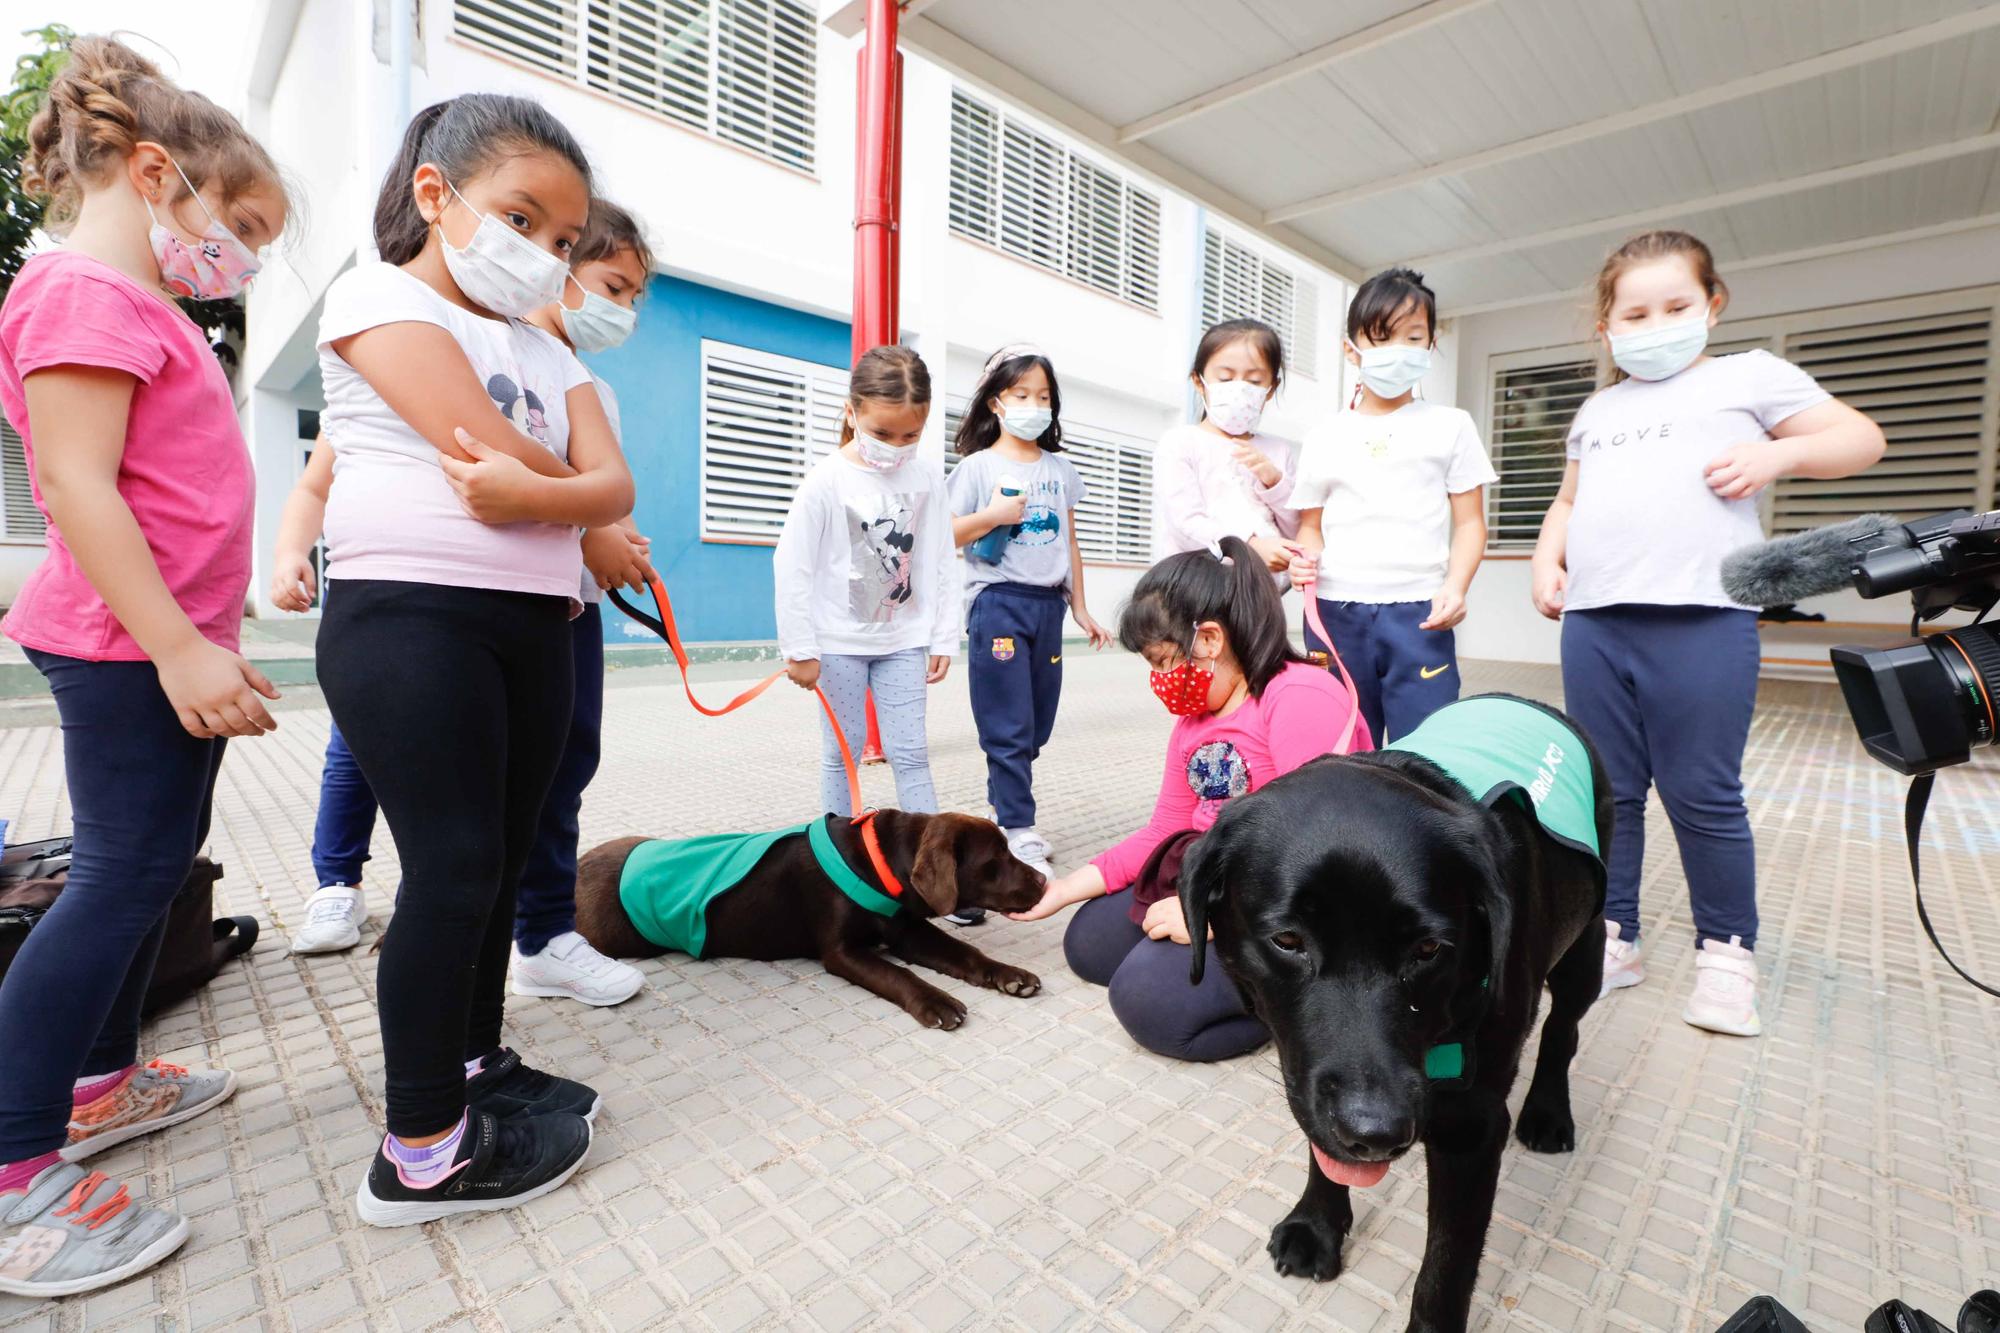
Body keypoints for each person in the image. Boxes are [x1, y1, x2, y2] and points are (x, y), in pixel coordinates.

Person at [0, 34, 292, 1296]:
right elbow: (73, 481)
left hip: (165, 646)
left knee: (156, 868)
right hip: (128, 647)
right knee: (119, 880)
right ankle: (14, 1170)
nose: (246, 257)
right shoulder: (81, 295)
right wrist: (176, 645)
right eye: (241, 225)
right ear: (158, 172)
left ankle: (105, 1080)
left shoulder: (143, 308)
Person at [316, 94, 635, 1226]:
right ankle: (418, 1155)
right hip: (410, 617)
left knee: (497, 864)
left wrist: (566, 497)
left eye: (561, 241)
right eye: (522, 218)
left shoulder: (546, 343)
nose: (543, 255)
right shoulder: (377, 294)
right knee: (450, 868)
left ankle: (471, 1066)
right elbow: (482, 442)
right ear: (435, 195)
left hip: (534, 622)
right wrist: (572, 495)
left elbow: (617, 487)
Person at [270, 200, 657, 1012]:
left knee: (546, 784)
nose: (623, 310)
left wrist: (604, 529)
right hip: (421, 616)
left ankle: (535, 948)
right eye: (611, 284)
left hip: (556, 613)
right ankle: (339, 884)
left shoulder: (574, 376)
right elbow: (530, 478)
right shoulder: (404, 329)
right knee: (445, 841)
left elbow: (607, 488)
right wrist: (587, 514)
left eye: (634, 296)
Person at [1531, 229, 1885, 1037]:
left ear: (1712, 305)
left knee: (1703, 792)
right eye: (1637, 311)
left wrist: (1776, 457)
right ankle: (1610, 934)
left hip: (1705, 618)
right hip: (1595, 623)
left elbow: (1861, 438)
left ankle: (1727, 954)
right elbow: (1566, 502)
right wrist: (1545, 561)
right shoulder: (1598, 407)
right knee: (1608, 794)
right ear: (1606, 326)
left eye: (1677, 306)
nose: (1656, 323)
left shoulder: (1746, 377)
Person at [1010, 537, 1370, 1061]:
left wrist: (1211, 920)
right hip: (1214, 874)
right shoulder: (1195, 719)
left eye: (1162, 661)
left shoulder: (1298, 697)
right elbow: (1165, 830)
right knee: (1087, 945)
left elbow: (1313, 849)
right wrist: (1064, 888)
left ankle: (1289, 1005)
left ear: (1209, 639)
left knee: (1149, 1005)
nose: (1160, 680)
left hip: (1291, 901)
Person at [1287, 267, 1495, 744]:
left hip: (1420, 613)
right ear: (1351, 349)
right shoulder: (1323, 435)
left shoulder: (1452, 425)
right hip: (1335, 612)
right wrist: (1305, 560)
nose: (1396, 352)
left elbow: (1470, 524)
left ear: (1430, 344)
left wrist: (1456, 587)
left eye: (1412, 337)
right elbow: (1310, 527)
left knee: (1424, 753)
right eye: (1380, 339)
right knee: (1340, 749)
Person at [774, 346, 959, 844]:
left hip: (903, 642)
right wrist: (799, 648)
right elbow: (792, 566)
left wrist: (944, 637)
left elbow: (941, 558)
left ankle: (933, 863)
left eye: (910, 436)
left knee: (912, 753)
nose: (896, 446)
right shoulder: (824, 482)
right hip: (837, 645)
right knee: (842, 755)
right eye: (882, 433)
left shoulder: (926, 479)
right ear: (851, 411)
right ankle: (837, 858)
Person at [947, 344, 1112, 897]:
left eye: (1043, 397)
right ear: (997, 402)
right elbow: (942, 536)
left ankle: (1004, 806)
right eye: (1022, 395)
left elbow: (1070, 541)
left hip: (1048, 607)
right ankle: (1017, 828)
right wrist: (992, 517)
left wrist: (1081, 605)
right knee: (1008, 725)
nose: (1033, 406)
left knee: (1035, 724)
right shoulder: (977, 467)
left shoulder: (1060, 469)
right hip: (998, 602)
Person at [1152, 317, 1300, 575]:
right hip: (1195, 592)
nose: (1239, 389)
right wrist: (1249, 547)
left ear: (1271, 388)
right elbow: (1184, 523)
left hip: (1258, 598)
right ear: (1199, 382)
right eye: (1225, 378)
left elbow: (1296, 531)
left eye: (1254, 382)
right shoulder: (1180, 443)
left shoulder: (1279, 452)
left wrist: (1274, 482)